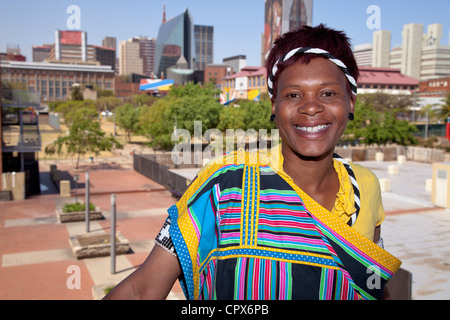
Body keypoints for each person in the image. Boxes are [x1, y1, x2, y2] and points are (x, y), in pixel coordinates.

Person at [104, 24, 401, 300]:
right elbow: (142, 290)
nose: (311, 107)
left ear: (350, 102)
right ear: (274, 106)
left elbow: (372, 284)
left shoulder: (364, 186)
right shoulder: (224, 186)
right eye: (294, 94)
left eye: (328, 93)